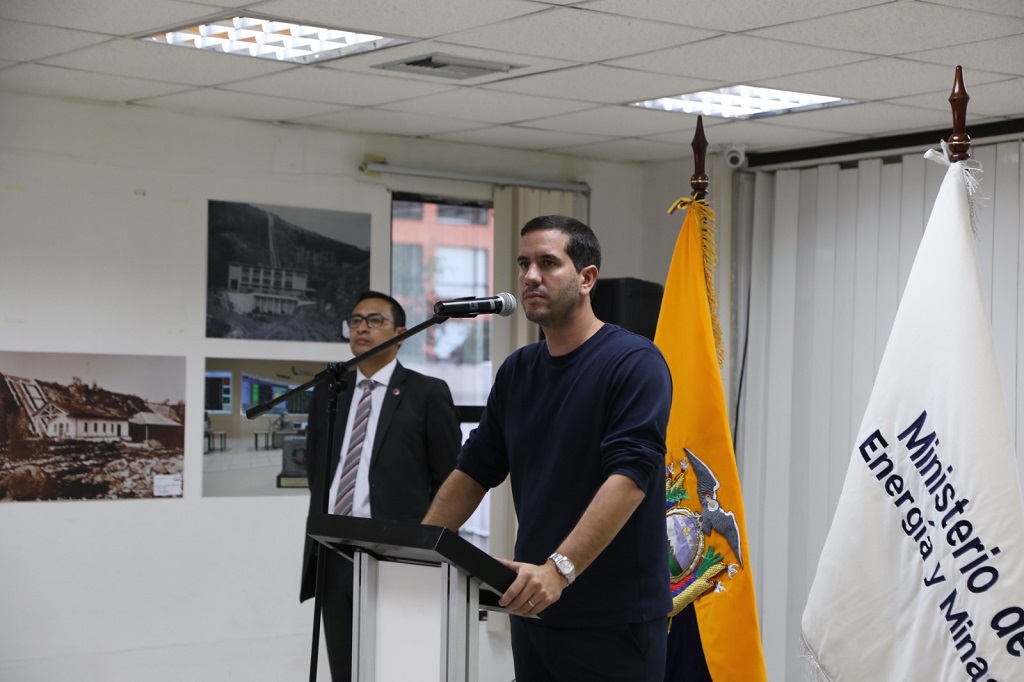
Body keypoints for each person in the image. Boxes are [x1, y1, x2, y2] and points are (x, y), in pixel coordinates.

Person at [422, 215, 673, 680]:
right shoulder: (518, 371)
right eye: (524, 264)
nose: (530, 276)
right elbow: (474, 470)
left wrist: (559, 571)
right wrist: (421, 550)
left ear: (587, 278)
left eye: (548, 263)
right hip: (534, 608)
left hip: (613, 621)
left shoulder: (635, 362)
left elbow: (629, 479)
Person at [300, 290, 461, 681]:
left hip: (397, 553)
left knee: (397, 665)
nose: (362, 328)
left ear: (400, 334)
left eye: (374, 320)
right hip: (334, 550)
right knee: (344, 667)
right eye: (356, 321)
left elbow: (450, 480)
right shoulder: (330, 391)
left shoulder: (427, 393)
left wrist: (425, 541)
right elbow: (317, 468)